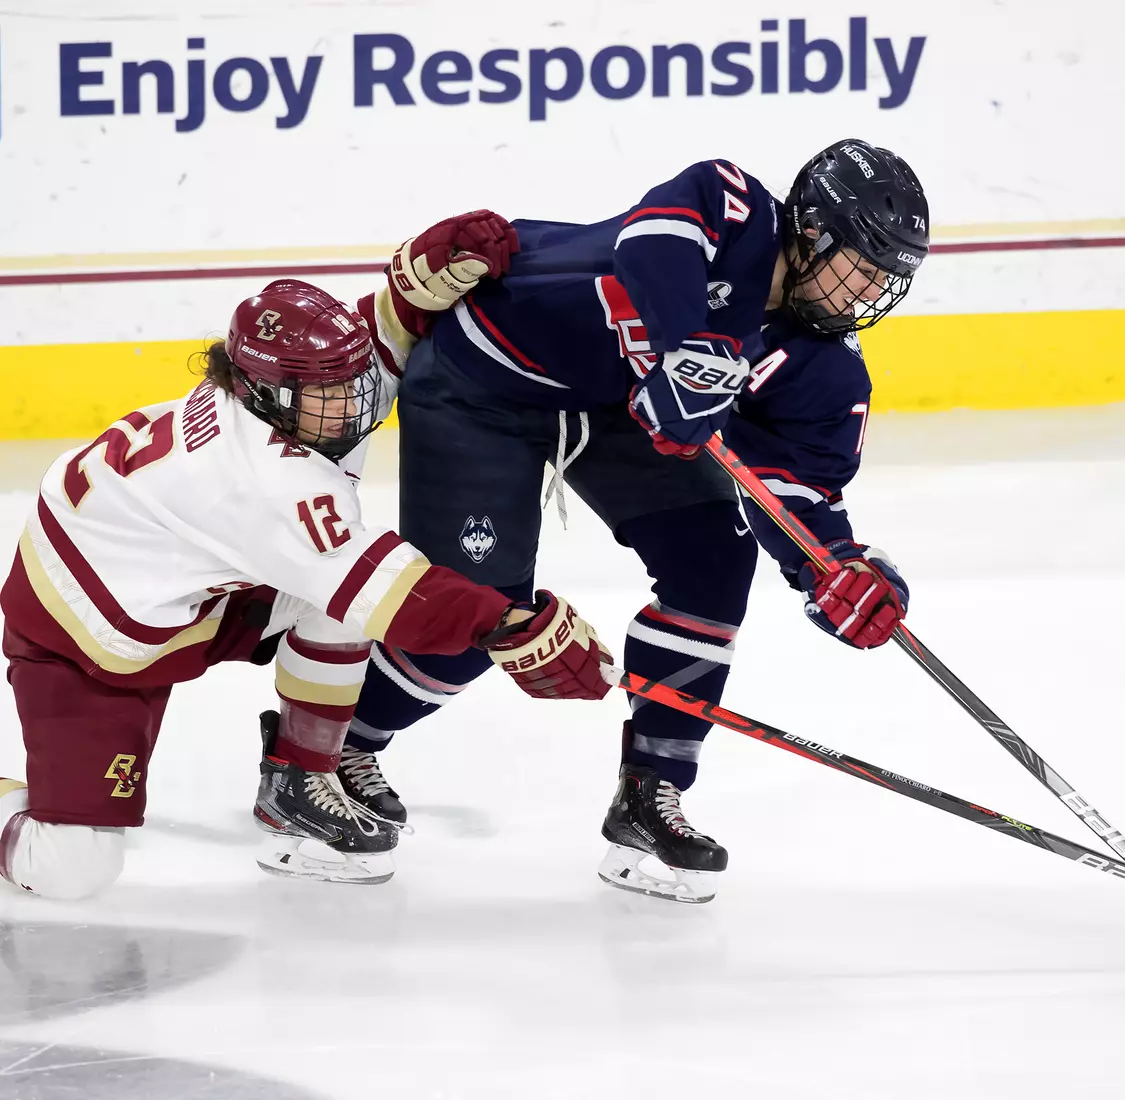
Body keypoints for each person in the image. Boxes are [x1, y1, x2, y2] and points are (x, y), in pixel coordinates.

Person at [341, 139, 929, 904]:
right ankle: (327, 749)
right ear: (812, 229)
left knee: (713, 562)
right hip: (488, 376)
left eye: (890, 276)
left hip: (619, 409)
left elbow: (801, 491)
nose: (871, 289)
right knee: (479, 615)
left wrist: (835, 566)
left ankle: (650, 794)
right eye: (865, 262)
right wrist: (685, 357)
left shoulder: (825, 366)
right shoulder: (735, 205)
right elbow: (652, 243)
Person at [0, 220, 614, 900]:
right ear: (267, 395)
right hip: (88, 632)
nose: (356, 400)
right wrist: (509, 625)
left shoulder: (288, 399)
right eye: (332, 391)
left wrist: (411, 291)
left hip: (180, 582)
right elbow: (386, 587)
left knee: (335, 596)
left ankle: (299, 776)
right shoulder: (257, 479)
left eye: (349, 380)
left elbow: (370, 351)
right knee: (72, 869)